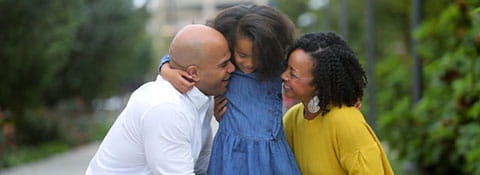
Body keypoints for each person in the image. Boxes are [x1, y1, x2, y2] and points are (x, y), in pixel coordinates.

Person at [159, 4, 301, 175]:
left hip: (271, 155)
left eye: (258, 56)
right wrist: (165, 69)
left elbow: (307, 67)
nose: (249, 63)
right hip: (232, 155)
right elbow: (182, 57)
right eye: (242, 55)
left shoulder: (274, 69)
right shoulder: (227, 69)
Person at [86, 24, 235, 175]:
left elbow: (202, 165)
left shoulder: (202, 98)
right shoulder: (167, 107)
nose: (232, 68)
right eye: (223, 64)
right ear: (193, 73)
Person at [281, 32, 394, 175]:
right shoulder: (293, 117)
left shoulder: (346, 123)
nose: (283, 76)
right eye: (286, 68)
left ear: (319, 83)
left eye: (293, 74)